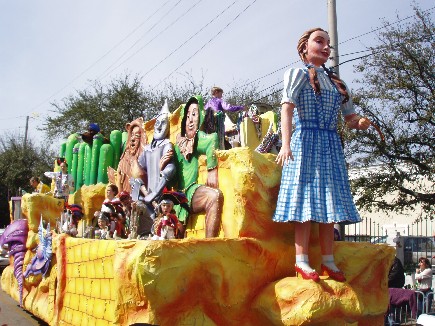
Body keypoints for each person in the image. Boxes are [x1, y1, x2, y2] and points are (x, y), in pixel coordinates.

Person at [273, 28, 372, 282]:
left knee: (329, 203)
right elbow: (287, 108)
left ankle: (328, 260)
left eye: (328, 43)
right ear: (304, 47)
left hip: (330, 144)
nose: (326, 47)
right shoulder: (297, 74)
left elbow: (349, 118)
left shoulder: (338, 82)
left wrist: (359, 122)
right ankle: (301, 261)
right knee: (305, 202)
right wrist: (286, 144)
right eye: (320, 41)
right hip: (305, 140)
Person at [173, 95, 224, 238]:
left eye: (194, 114)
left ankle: (209, 244)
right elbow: (172, 174)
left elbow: (212, 140)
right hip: (179, 196)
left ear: (200, 117)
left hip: (192, 190)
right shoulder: (179, 144)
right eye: (187, 115)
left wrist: (212, 169)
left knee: (214, 196)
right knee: (175, 237)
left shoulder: (198, 138)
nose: (190, 119)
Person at [134, 99, 176, 237]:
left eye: (163, 123)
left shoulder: (167, 145)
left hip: (161, 193)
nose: (159, 126)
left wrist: (155, 193)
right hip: (147, 193)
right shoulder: (147, 149)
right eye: (157, 123)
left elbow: (170, 168)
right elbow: (140, 167)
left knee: (161, 219)